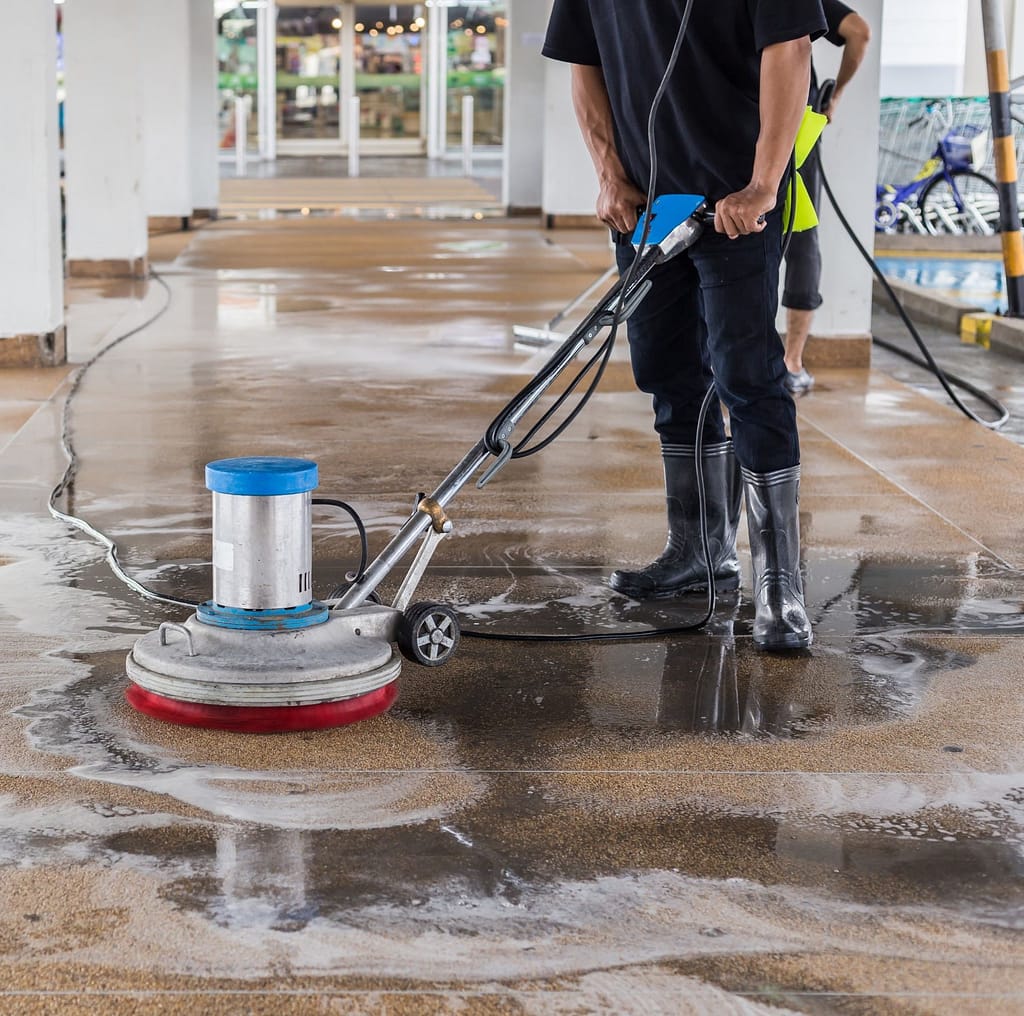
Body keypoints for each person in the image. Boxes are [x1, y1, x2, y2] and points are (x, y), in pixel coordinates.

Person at [543, 0, 828, 651]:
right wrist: (608, 173)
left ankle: (781, 586)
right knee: (669, 372)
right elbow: (583, 60)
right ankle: (700, 549)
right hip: (649, 202)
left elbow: (789, 50)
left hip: (735, 201)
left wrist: (763, 183)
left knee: (749, 377)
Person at [783, 1, 872, 395]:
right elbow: (859, 31)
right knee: (799, 239)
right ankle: (790, 362)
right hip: (793, 129)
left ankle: (726, 360)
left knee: (727, 238)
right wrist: (834, 98)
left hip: (730, 129)